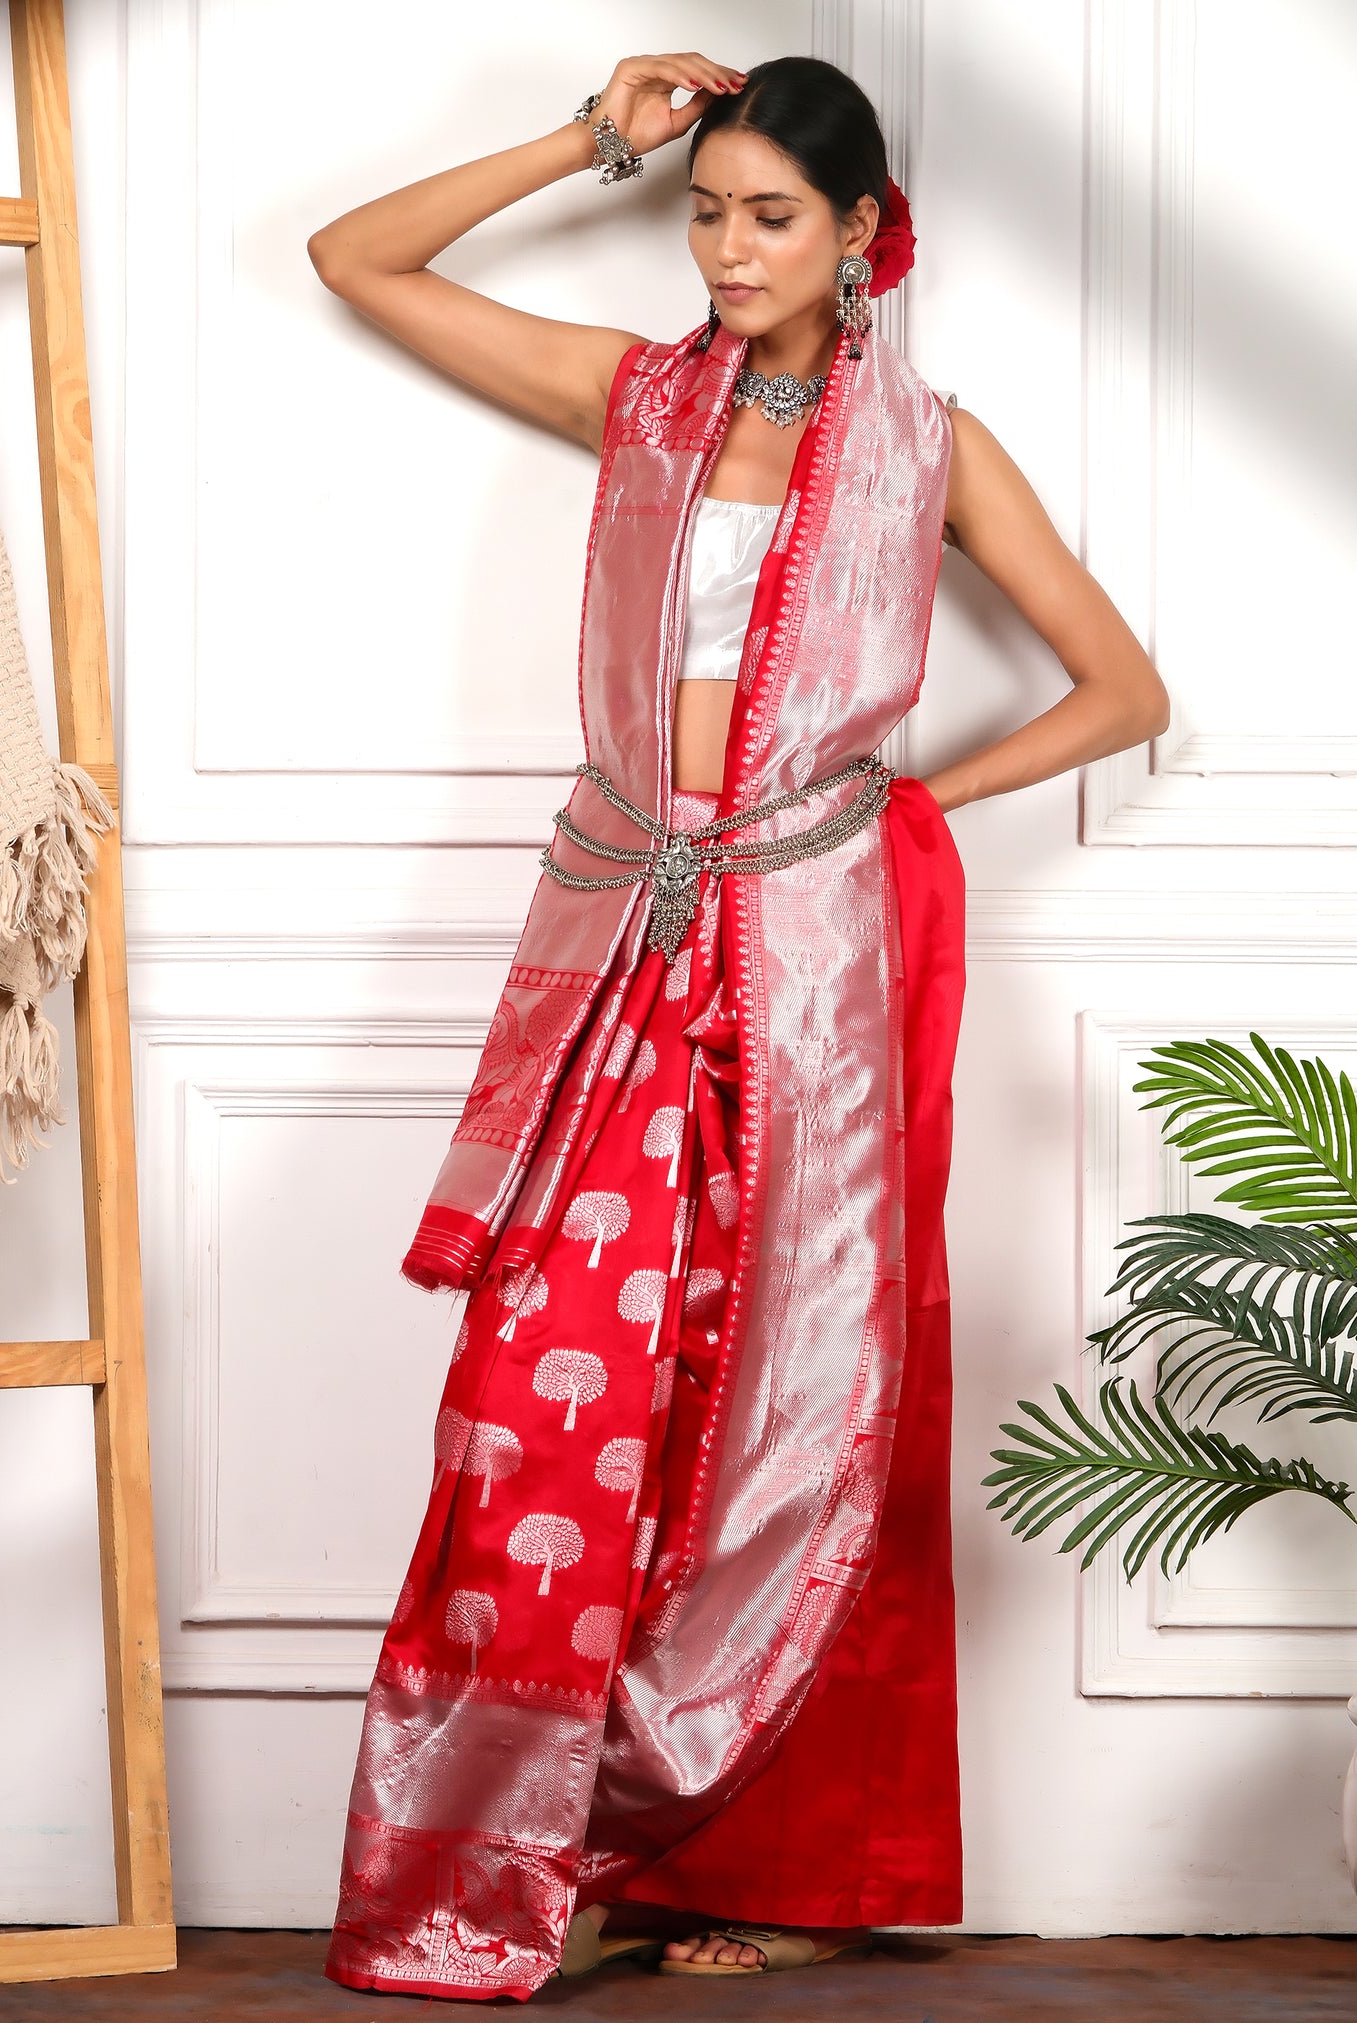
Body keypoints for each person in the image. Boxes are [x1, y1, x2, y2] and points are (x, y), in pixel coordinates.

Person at [306, 51, 1168, 2002]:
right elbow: (356, 258)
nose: (725, 247)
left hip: (812, 977)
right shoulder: (636, 396)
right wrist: (588, 143)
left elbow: (1124, 687)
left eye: (770, 212)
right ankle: (558, 1839)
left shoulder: (933, 448)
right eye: (705, 209)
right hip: (623, 936)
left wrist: (901, 810)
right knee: (556, 1400)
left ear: (864, 233)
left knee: (789, 1417)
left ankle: (760, 1852)